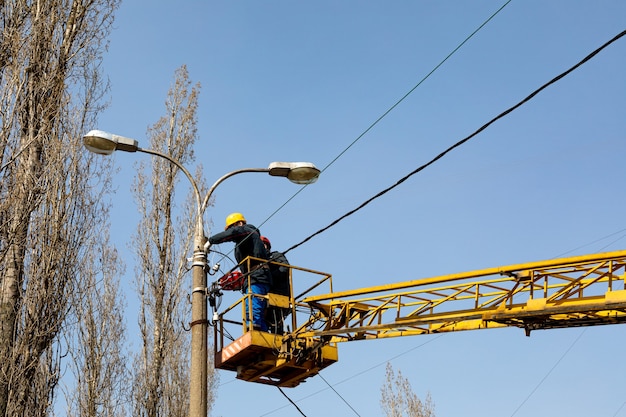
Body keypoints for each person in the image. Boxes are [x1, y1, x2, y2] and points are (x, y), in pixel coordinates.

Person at [208, 213, 271, 332]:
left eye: (233, 227)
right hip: (253, 277)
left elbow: (233, 233)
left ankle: (254, 329)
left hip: (257, 276)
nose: (232, 231)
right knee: (253, 305)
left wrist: (210, 241)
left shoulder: (248, 231)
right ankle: (261, 331)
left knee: (254, 305)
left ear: (240, 224)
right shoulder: (243, 242)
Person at [261, 236, 291, 335]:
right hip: (267, 295)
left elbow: (285, 267)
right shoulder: (258, 262)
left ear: (266, 246)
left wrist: (270, 276)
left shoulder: (275, 256)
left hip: (279, 293)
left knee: (276, 318)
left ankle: (278, 336)